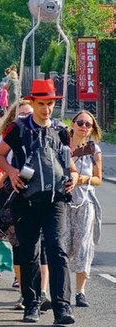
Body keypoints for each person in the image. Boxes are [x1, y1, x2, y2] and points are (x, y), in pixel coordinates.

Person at [0, 79, 79, 325]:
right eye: (41, 104)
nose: (46, 109)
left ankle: (62, 308)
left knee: (56, 249)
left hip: (56, 200)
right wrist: (11, 172)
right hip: (26, 199)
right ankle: (31, 305)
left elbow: (69, 165)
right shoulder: (18, 128)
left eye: (50, 104)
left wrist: (73, 177)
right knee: (29, 251)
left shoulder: (61, 130)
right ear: (32, 102)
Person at [66, 110, 103, 308]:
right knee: (61, 245)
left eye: (88, 124)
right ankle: (58, 290)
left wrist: (83, 179)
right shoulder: (62, 145)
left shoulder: (94, 149)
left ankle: (80, 292)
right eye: (80, 122)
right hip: (63, 202)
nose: (83, 126)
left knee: (83, 246)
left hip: (85, 202)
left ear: (92, 129)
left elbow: (98, 179)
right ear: (72, 124)